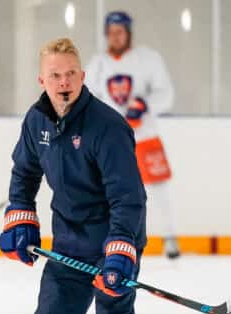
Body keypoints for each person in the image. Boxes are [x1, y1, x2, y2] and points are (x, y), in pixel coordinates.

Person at [0, 37, 162, 314]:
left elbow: (128, 196)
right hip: (68, 245)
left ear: (83, 77)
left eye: (71, 73)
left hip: (112, 243)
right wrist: (21, 218)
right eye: (55, 75)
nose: (64, 81)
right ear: (42, 80)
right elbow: (24, 172)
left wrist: (121, 251)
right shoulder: (37, 122)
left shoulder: (106, 126)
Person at [85, 11, 181, 259]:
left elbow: (166, 94)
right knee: (106, 191)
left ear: (128, 33)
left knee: (158, 188)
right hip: (112, 141)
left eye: (120, 31)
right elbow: (87, 99)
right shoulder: (97, 64)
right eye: (112, 32)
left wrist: (145, 104)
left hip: (144, 136)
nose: (116, 36)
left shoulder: (148, 59)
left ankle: (170, 238)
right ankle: (106, 238)